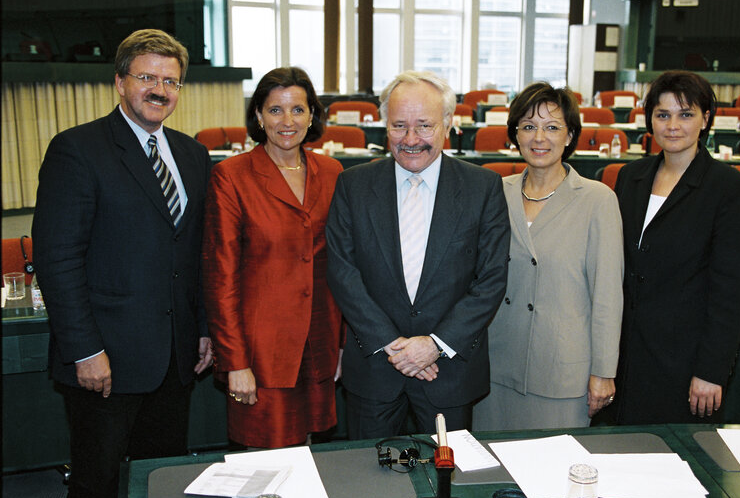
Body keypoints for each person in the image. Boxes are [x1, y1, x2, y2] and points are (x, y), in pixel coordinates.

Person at [32, 29, 213, 498]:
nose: (160, 89)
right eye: (147, 77)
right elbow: (57, 259)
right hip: (105, 360)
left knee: (162, 479)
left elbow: (195, 254)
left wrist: (203, 329)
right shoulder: (77, 150)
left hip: (174, 360)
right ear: (119, 82)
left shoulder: (193, 155)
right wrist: (84, 350)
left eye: (171, 81)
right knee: (98, 484)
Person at [325, 71, 511, 439]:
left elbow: (490, 280)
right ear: (384, 125)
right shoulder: (353, 184)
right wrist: (397, 348)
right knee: (370, 486)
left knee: (447, 487)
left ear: (447, 125)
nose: (411, 140)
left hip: (450, 374)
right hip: (375, 369)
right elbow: (343, 272)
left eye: (424, 125)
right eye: (399, 126)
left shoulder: (483, 187)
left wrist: (434, 346)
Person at [202, 67, 343, 448]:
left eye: (298, 109)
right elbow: (222, 278)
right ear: (259, 116)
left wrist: (342, 345)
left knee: (316, 459)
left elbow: (345, 265)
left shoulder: (332, 172)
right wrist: (234, 363)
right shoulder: (232, 176)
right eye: (275, 110)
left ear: (312, 115)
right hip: (262, 353)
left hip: (320, 344)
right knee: (269, 468)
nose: (287, 121)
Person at [472, 83, 623, 431]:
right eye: (528, 126)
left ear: (570, 136)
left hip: (562, 373)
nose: (539, 137)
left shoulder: (597, 200)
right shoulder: (496, 191)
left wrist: (603, 372)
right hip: (494, 367)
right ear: (515, 135)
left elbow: (607, 296)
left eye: (552, 127)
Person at [614, 70, 740, 424]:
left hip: (685, 362)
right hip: (625, 355)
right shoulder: (630, 178)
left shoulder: (728, 188)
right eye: (663, 115)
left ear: (706, 119)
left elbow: (730, 292)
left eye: (686, 114)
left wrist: (712, 370)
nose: (672, 125)